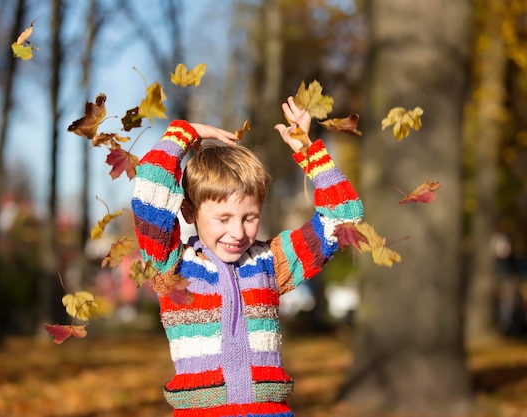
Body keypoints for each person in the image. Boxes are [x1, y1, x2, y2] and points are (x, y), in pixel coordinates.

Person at [131, 96, 364, 417]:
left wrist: (309, 152)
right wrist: (183, 133)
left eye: (249, 217)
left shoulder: (270, 262)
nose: (238, 232)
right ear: (189, 212)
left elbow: (344, 217)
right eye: (223, 219)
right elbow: (149, 191)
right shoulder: (172, 267)